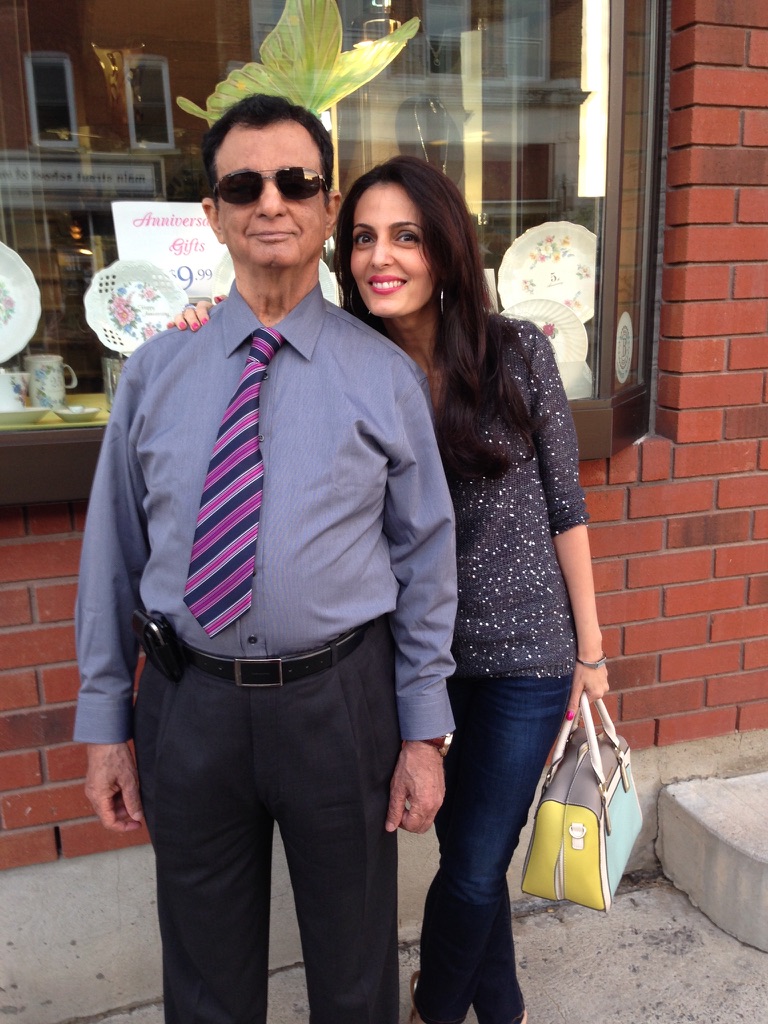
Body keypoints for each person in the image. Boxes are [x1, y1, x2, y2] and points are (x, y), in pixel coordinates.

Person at [177, 153, 609, 1024]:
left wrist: (591, 655)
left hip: (523, 657)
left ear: (444, 249)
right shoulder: (336, 360)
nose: (382, 257)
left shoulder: (517, 350)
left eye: (407, 237)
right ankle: (505, 1007)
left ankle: (432, 1010)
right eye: (364, 238)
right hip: (409, 661)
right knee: (467, 851)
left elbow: (567, 507)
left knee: (478, 861)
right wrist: (207, 326)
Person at [73, 97, 459, 1024]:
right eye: (244, 185)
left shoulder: (383, 377)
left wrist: (423, 734)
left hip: (341, 705)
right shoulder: (155, 375)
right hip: (189, 704)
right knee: (204, 979)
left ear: (328, 207)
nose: (271, 202)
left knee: (356, 969)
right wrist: (105, 724)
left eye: (296, 181)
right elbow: (113, 553)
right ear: (213, 214)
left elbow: (427, 559)